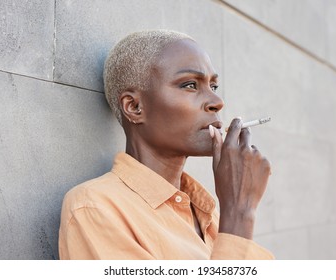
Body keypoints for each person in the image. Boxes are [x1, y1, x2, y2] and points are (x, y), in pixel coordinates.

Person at [58, 29, 273, 259]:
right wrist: (239, 213)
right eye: (190, 85)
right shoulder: (95, 208)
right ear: (134, 107)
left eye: (214, 86)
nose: (217, 102)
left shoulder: (207, 213)